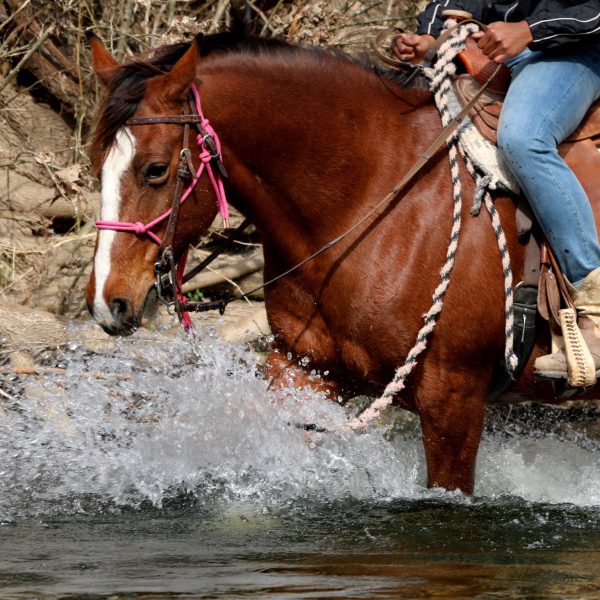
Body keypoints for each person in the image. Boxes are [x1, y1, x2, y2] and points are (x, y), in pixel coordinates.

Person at [393, 1, 600, 382]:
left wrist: (531, 30)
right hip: (489, 52)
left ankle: (595, 309)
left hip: (571, 50)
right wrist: (432, 35)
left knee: (524, 138)